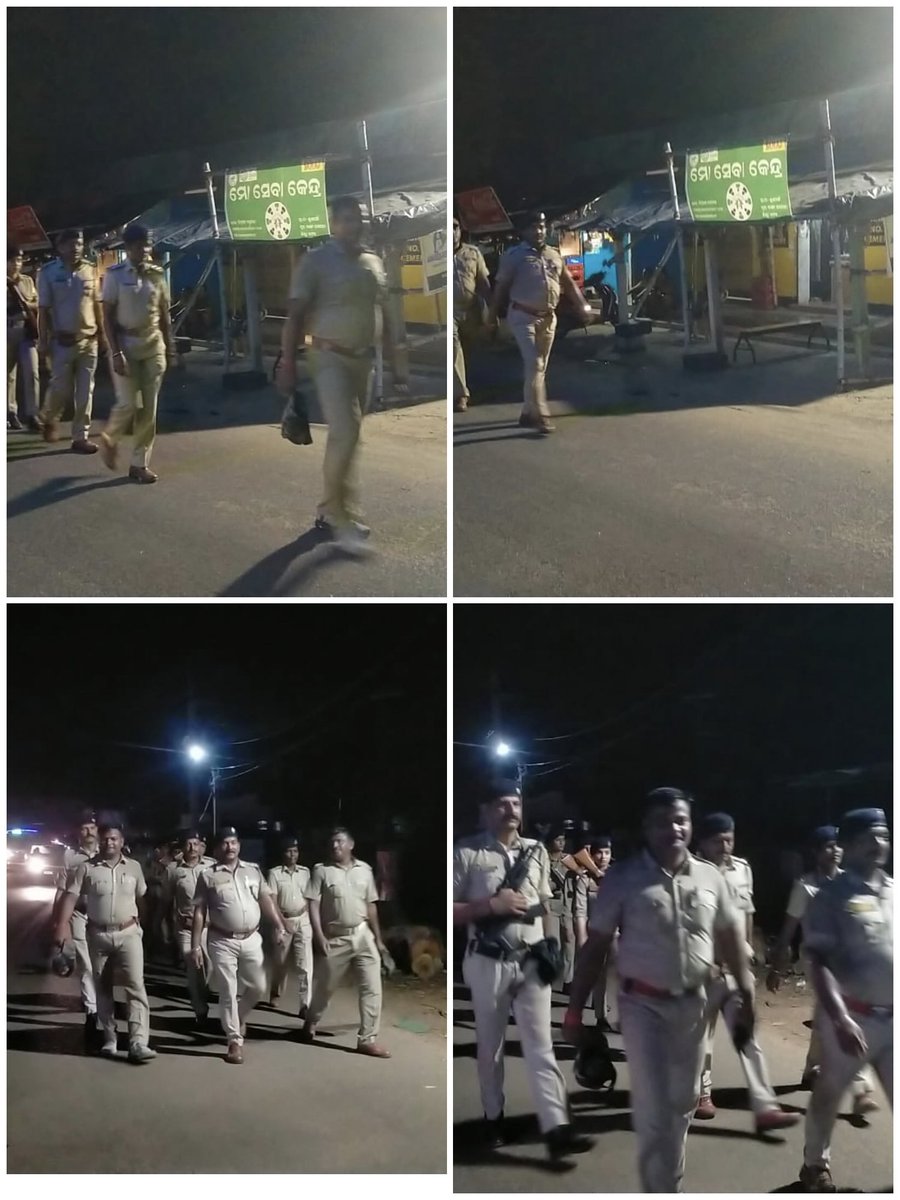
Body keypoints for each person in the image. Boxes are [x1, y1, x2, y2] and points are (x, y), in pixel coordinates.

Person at [565, 787, 755, 1193]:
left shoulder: (710, 878)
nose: (675, 828)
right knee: (653, 1108)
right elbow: (595, 946)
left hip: (693, 1006)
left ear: (690, 825)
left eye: (682, 820)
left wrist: (747, 992)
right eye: (664, 821)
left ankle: (669, 1181)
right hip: (641, 1006)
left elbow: (731, 938)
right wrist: (573, 1010)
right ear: (647, 827)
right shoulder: (623, 878)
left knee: (683, 1103)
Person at [453, 781, 594, 1160]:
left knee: (541, 1046)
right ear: (486, 810)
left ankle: (557, 1126)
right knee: (491, 1046)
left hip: (531, 960)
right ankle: (493, 1116)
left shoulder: (535, 851)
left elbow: (545, 904)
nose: (511, 809)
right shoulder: (466, 851)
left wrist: (552, 948)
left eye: (515, 802)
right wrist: (490, 906)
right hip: (487, 961)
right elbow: (451, 910)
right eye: (502, 803)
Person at [276, 194, 409, 556]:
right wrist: (288, 362)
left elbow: (384, 309)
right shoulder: (316, 261)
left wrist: (398, 358)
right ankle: (340, 515)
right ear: (334, 224)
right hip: (327, 355)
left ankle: (330, 509)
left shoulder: (373, 262)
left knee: (350, 436)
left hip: (362, 360)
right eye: (346, 219)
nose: (353, 225)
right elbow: (295, 315)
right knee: (346, 430)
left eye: (358, 219)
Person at [798, 808, 892, 1193]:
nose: (879, 844)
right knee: (828, 1096)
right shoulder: (830, 898)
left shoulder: (894, 890)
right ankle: (814, 1165)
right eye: (869, 837)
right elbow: (818, 961)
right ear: (848, 845)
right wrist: (838, 1017)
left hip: (894, 1021)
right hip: (852, 1019)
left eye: (884, 835)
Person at [693, 812, 799, 1131]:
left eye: (729, 839)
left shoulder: (742, 869)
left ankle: (765, 1104)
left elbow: (747, 911)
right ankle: (702, 1094)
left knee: (748, 1035)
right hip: (704, 970)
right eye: (718, 840)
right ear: (703, 842)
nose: (725, 846)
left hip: (737, 968)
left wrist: (749, 950)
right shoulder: (690, 873)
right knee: (702, 1038)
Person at [768, 825, 876, 1113]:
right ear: (816, 853)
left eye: (838, 845)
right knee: (843, 1014)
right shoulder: (805, 887)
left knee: (833, 1015)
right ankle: (861, 1087)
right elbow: (790, 927)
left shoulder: (851, 883)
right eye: (828, 845)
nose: (835, 850)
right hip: (819, 963)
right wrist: (777, 965)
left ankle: (812, 1068)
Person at [53, 821, 156, 1064]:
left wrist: (146, 928)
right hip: (98, 935)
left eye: (115, 839)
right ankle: (109, 1039)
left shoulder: (134, 868)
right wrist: (61, 925)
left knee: (135, 986)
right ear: (101, 841)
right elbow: (70, 896)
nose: (110, 842)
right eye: (106, 839)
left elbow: (142, 899)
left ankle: (138, 1042)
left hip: (129, 933)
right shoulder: (87, 868)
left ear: (122, 842)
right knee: (103, 987)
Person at [191, 826, 289, 1064]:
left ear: (239, 845)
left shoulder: (253, 871)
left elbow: (265, 899)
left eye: (234, 842)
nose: (230, 847)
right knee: (227, 990)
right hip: (222, 939)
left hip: (252, 939)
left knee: (258, 986)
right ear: (217, 848)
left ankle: (238, 1017)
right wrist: (196, 945)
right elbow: (200, 911)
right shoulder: (208, 875)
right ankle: (234, 1041)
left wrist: (278, 924)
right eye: (225, 843)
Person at [486, 211, 590, 435]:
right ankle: (540, 415)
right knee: (535, 364)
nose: (539, 231)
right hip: (523, 317)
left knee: (538, 367)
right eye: (533, 227)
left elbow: (568, 284)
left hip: (549, 318)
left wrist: (582, 305)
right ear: (523, 231)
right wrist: (491, 317)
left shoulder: (554, 255)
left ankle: (527, 411)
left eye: (542, 226)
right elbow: (501, 289)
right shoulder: (514, 256)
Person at [299, 826, 391, 1057]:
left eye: (340, 841)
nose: (335, 846)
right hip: (335, 938)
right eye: (332, 842)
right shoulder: (321, 871)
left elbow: (371, 906)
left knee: (372, 988)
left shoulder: (365, 870)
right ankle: (311, 1020)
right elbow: (313, 904)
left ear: (351, 844)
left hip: (362, 934)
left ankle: (367, 1039)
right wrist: (318, 936)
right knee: (326, 988)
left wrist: (378, 940)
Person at [99, 223, 175, 484]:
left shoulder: (157, 274)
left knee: (149, 410)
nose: (144, 249)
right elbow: (107, 316)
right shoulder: (115, 275)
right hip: (126, 345)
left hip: (153, 345)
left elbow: (164, 313)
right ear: (128, 247)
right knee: (129, 403)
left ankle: (139, 464)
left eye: (147, 244)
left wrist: (170, 346)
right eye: (139, 245)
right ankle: (109, 437)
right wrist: (115, 352)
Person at [37, 229, 105, 452]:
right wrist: (43, 341)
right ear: (60, 247)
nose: (76, 248)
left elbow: (97, 305)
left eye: (79, 243)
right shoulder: (47, 273)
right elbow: (43, 310)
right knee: (60, 389)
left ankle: (80, 437)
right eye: (71, 244)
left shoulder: (90, 269)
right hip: (61, 342)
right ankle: (49, 417)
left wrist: (103, 335)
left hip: (88, 340)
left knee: (86, 391)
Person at [52, 810, 100, 1044]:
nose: (89, 832)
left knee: (104, 967)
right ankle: (92, 1013)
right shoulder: (70, 857)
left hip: (106, 918)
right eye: (84, 828)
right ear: (77, 833)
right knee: (87, 967)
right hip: (79, 915)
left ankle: (106, 1010)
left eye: (92, 827)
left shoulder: (111, 853)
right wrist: (59, 924)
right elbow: (61, 891)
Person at [164, 830, 216, 1025]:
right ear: (182, 846)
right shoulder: (173, 870)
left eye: (196, 843)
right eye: (189, 844)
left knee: (208, 967)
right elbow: (167, 900)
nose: (193, 848)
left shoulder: (211, 866)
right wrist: (160, 927)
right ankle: (200, 1010)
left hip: (209, 928)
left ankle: (201, 994)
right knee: (193, 966)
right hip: (185, 927)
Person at [266, 834, 313, 1016]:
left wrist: (307, 917)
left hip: (303, 919)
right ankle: (276, 992)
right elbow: (272, 900)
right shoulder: (275, 873)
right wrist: (283, 923)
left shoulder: (305, 872)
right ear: (283, 853)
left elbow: (309, 897)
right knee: (280, 962)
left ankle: (305, 1004)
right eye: (289, 851)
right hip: (283, 921)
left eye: (295, 851)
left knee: (305, 964)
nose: (293, 855)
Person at [572, 837, 616, 1029]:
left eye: (607, 852)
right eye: (599, 852)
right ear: (591, 854)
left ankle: (606, 1017)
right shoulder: (584, 878)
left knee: (612, 977)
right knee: (589, 977)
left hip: (614, 933)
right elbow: (579, 910)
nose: (603, 856)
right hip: (592, 933)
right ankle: (580, 1017)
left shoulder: (618, 876)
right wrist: (581, 939)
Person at [452, 217, 492, 412]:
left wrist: (492, 312)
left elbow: (483, 283)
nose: (451, 232)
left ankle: (473, 384)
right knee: (453, 346)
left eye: (455, 227)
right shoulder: (436, 255)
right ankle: (461, 395)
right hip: (450, 310)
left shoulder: (473, 253)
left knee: (470, 349)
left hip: (472, 309)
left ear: (460, 231)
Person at [7, 244, 41, 431]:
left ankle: (32, 414)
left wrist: (26, 303)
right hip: (6, 330)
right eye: (11, 261)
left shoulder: (27, 281)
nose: (15, 264)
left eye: (18, 261)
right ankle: (10, 412)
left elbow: (36, 303)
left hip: (25, 331)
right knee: (7, 376)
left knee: (32, 371)